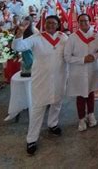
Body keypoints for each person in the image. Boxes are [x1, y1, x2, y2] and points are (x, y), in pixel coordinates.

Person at [12, 15, 68, 155]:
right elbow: (19, 47)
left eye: (54, 23)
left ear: (58, 25)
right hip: (41, 79)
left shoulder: (63, 38)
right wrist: (19, 35)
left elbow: (71, 53)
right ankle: (31, 139)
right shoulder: (36, 38)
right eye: (48, 23)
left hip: (59, 78)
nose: (50, 25)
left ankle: (53, 124)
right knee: (38, 108)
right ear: (44, 24)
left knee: (57, 103)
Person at [64, 14, 98, 131]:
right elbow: (67, 56)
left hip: (92, 69)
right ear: (78, 23)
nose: (83, 23)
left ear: (90, 21)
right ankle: (81, 118)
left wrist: (94, 56)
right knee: (80, 94)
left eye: (86, 21)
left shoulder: (97, 35)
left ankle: (91, 114)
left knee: (90, 92)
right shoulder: (72, 37)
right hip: (78, 70)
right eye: (81, 21)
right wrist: (82, 60)